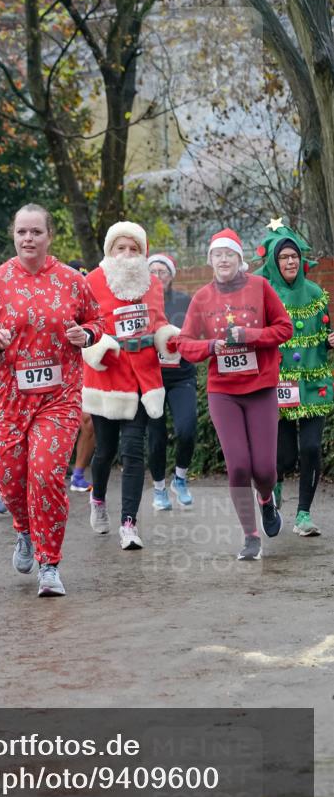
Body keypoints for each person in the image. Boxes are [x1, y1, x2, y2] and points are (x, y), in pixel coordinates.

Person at [0, 204, 104, 597]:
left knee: (45, 476)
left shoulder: (71, 281)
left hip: (57, 400)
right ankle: (24, 532)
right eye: (22, 232)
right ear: (14, 235)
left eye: (35, 232)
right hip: (8, 399)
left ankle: (49, 564)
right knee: (12, 483)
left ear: (49, 236)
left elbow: (97, 321)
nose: (28, 239)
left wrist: (87, 335)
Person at [174, 228, 293, 561]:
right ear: (210, 260)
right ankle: (250, 536)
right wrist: (211, 345)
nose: (223, 260)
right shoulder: (202, 298)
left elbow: (285, 328)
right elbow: (183, 343)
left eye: (229, 254)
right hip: (223, 391)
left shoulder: (261, 287)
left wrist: (250, 335)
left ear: (240, 259)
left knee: (265, 470)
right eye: (217, 255)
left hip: (261, 388)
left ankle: (266, 501)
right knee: (239, 466)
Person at [82, 223, 180, 549]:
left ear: (143, 253)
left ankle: (129, 523)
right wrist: (98, 349)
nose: (127, 255)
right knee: (106, 450)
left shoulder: (151, 283)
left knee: (133, 450)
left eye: (133, 249)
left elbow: (159, 321)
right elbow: (81, 329)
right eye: (120, 248)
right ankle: (97, 499)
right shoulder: (92, 282)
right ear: (109, 252)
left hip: (142, 378)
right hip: (108, 378)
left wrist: (167, 336)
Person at [255, 219, 334, 536]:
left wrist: (330, 341)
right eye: (284, 258)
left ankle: (303, 515)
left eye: (294, 257)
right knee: (284, 456)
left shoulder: (316, 293)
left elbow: (324, 335)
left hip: (315, 385)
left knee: (312, 448)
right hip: (280, 386)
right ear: (274, 262)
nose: (290, 262)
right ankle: (273, 488)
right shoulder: (264, 294)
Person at [146, 253, 198, 510]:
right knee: (155, 438)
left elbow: (197, 334)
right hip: (151, 378)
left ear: (171, 276)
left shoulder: (185, 302)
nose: (157, 276)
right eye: (152, 271)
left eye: (162, 271)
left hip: (181, 376)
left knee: (186, 429)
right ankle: (158, 489)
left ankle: (180, 478)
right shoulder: (140, 303)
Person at [66, 261, 95, 493]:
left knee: (89, 421)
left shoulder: (92, 306)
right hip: (54, 374)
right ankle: (13, 486)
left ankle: (77, 475)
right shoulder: (51, 302)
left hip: (86, 369)